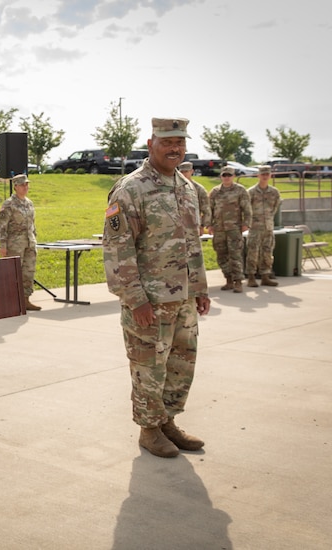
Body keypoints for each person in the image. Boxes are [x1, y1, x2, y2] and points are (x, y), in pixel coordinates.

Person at [103, 117, 210, 459]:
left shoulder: (187, 187)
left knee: (181, 365)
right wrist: (135, 299)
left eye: (180, 141)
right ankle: (149, 430)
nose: (175, 148)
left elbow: (192, 243)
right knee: (148, 367)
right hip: (150, 301)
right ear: (151, 144)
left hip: (183, 299)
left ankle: (168, 422)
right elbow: (118, 248)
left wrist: (200, 289)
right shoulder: (131, 188)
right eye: (168, 142)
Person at [0, 174, 40, 311]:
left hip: (29, 242)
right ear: (15, 186)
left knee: (28, 272)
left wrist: (34, 238)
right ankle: (10, 302)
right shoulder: (9, 204)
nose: (25, 187)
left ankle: (25, 299)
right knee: (12, 273)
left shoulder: (29, 203)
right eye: (22, 185)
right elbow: (2, 226)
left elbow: (32, 223)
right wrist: (2, 245)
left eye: (27, 184)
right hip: (14, 244)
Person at [208, 164, 251, 293]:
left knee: (235, 255)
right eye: (224, 175)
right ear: (221, 176)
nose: (226, 178)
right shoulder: (215, 192)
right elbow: (209, 210)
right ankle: (228, 279)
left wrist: (246, 223)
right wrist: (209, 224)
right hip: (219, 229)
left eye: (229, 175)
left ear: (233, 176)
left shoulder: (240, 190)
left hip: (234, 228)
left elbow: (247, 209)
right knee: (221, 255)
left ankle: (238, 282)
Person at [246, 165, 282, 287]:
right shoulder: (251, 192)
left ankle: (265, 276)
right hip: (255, 227)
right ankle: (251, 276)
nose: (265, 176)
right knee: (253, 252)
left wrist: (268, 221)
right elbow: (246, 210)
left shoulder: (274, 192)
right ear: (258, 175)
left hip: (268, 227)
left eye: (267, 174)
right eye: (263, 174)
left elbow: (275, 208)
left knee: (267, 252)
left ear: (270, 176)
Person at [178, 161, 211, 235]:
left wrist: (202, 226)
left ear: (191, 171)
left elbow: (206, 210)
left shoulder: (199, 189)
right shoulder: (174, 187)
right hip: (177, 227)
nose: (184, 174)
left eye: (186, 171)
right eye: (182, 172)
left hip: (193, 227)